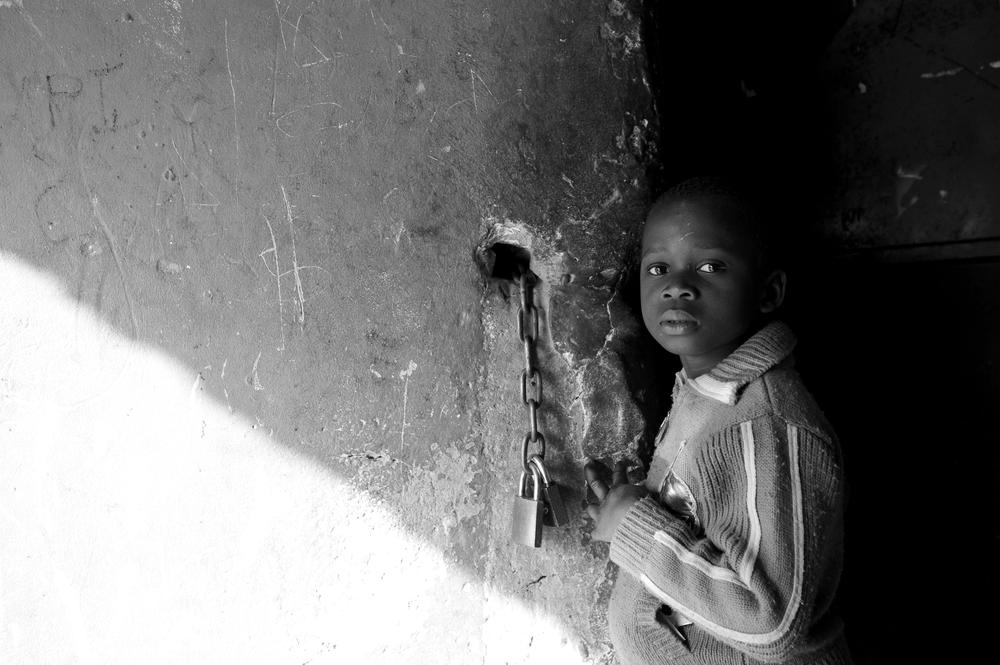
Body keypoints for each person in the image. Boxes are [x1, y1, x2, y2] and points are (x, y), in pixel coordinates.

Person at [585, 177, 851, 664]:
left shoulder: (767, 425)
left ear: (768, 291)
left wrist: (634, 526)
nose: (677, 285)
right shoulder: (706, 393)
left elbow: (769, 620)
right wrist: (640, 506)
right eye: (658, 268)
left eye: (710, 266)